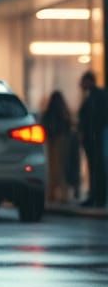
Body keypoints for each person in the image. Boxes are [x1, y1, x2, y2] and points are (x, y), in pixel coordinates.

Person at [78, 71, 107, 208]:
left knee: (97, 168)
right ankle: (95, 196)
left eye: (83, 82)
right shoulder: (92, 96)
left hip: (95, 137)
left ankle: (98, 197)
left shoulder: (97, 96)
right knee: (93, 168)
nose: (81, 85)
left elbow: (95, 117)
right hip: (92, 137)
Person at [41, 91, 73, 205]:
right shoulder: (64, 112)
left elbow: (44, 123)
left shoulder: (49, 112)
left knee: (53, 168)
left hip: (51, 140)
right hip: (62, 140)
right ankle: (63, 194)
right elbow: (68, 125)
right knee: (61, 167)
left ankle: (52, 193)